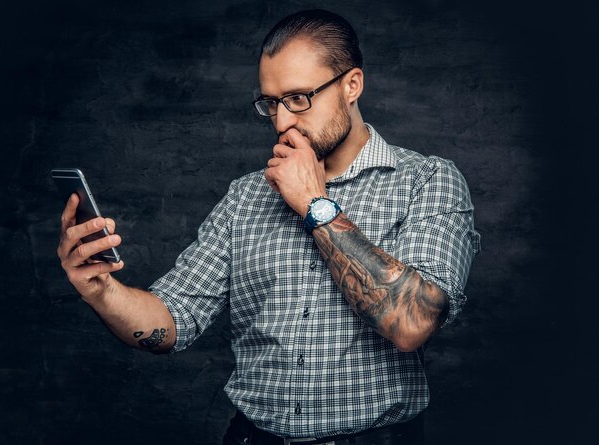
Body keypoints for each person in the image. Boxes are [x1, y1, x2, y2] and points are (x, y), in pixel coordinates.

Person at [57, 9, 480, 445]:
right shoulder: (246, 197)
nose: (282, 122)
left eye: (299, 98)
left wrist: (315, 205)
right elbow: (173, 321)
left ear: (351, 85)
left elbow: (412, 323)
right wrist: (100, 290)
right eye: (271, 103)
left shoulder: (427, 181)